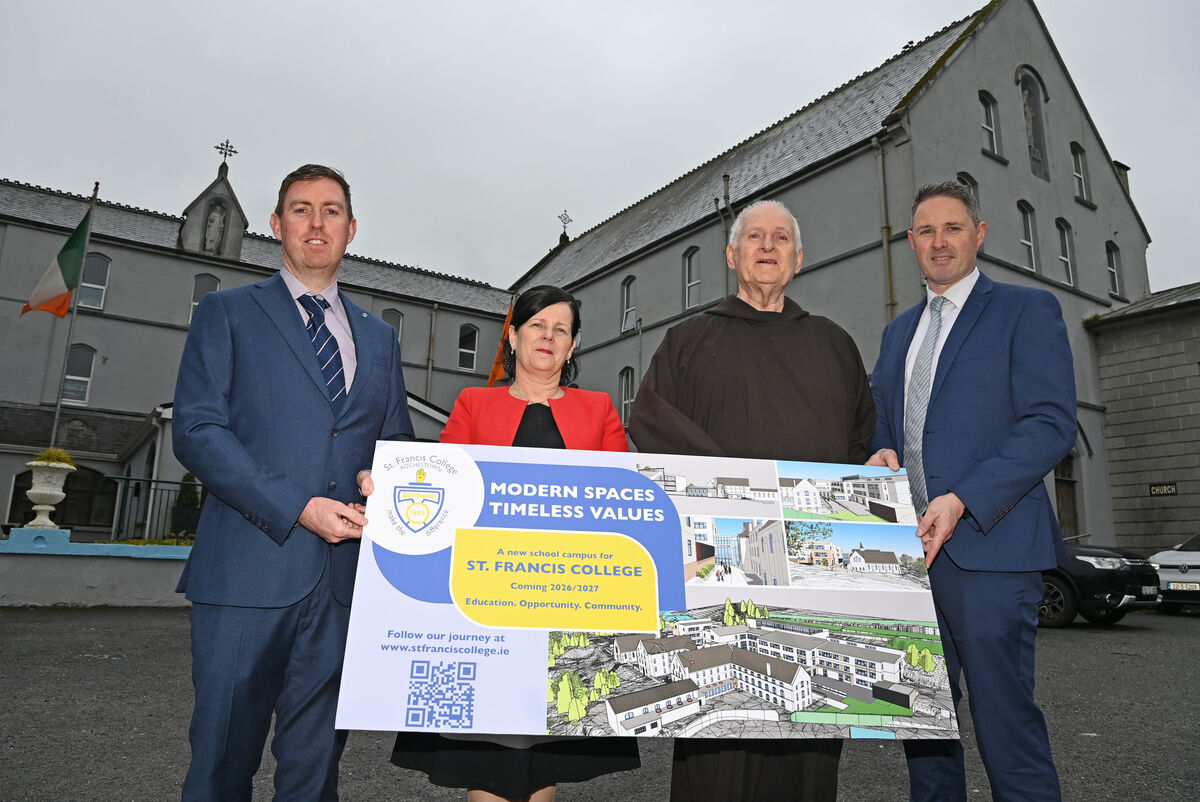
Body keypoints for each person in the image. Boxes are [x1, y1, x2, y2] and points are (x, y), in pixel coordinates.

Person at [173, 164, 414, 801]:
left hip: (343, 589)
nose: (316, 222)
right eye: (301, 209)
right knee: (221, 764)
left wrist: (385, 477)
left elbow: (398, 443)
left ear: (351, 229)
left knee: (313, 776)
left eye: (331, 211)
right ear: (278, 225)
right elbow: (197, 432)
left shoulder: (381, 339)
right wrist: (297, 506)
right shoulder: (226, 313)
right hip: (246, 577)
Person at [628, 199, 875, 802]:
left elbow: (860, 442)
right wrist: (741, 490)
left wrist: (873, 472)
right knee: (720, 731)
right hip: (718, 572)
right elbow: (651, 425)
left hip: (811, 574)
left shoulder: (835, 344)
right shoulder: (686, 341)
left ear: (798, 258)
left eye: (782, 238)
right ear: (732, 256)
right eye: (755, 237)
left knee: (808, 736)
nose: (768, 246)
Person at [866, 181, 1075, 801]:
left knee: (1005, 726)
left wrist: (962, 499)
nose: (939, 242)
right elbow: (884, 419)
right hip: (910, 559)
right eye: (926, 231)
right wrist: (877, 452)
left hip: (992, 550)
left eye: (952, 228)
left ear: (978, 235)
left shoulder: (1025, 310)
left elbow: (1050, 424)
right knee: (924, 726)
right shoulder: (898, 333)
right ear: (911, 242)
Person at [390, 284, 639, 801]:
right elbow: (440, 490)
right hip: (487, 609)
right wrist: (390, 487)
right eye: (536, 325)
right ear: (514, 336)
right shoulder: (472, 404)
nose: (547, 336)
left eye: (560, 329)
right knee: (491, 763)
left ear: (572, 347)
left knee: (542, 763)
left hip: (568, 605)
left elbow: (625, 503)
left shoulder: (599, 411)